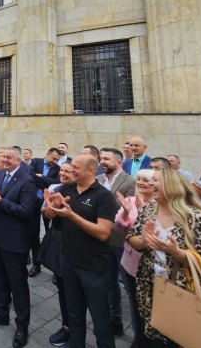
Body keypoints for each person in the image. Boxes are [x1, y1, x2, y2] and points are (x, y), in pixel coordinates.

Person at [127, 169, 201, 347]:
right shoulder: (148, 210)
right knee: (154, 337)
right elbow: (132, 238)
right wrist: (143, 240)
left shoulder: (197, 218)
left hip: (184, 292)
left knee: (179, 339)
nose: (149, 183)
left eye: (156, 180)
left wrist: (177, 253)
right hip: (149, 288)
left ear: (172, 186)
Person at [44, 154, 119, 348]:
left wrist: (71, 214)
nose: (71, 170)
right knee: (74, 313)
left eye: (76, 167)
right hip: (68, 262)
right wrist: (52, 207)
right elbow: (49, 214)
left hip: (93, 267)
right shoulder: (66, 188)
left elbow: (103, 233)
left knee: (100, 318)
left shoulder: (104, 196)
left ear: (91, 170)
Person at [0, 147, 37, 348]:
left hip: (14, 240)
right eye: (3, 157)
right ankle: (1, 313)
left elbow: (26, 211)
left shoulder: (27, 180)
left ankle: (22, 325)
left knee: (18, 284)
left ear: (19, 160)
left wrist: (1, 201)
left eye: (9, 157)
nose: (5, 160)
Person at [113, 169, 155, 347]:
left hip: (151, 265)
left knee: (152, 305)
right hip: (129, 261)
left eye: (147, 180)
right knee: (135, 303)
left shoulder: (160, 204)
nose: (142, 182)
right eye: (139, 179)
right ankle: (139, 337)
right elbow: (117, 233)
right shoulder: (130, 201)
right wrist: (125, 212)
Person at [97, 148, 136, 337]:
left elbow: (131, 212)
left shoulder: (130, 182)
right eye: (101, 158)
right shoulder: (98, 180)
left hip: (121, 242)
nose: (102, 161)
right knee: (108, 282)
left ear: (119, 162)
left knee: (129, 286)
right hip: (101, 240)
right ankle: (115, 320)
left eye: (106, 159)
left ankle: (139, 332)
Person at [46, 161, 74, 347]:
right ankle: (67, 327)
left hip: (82, 254)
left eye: (69, 171)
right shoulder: (58, 188)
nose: (63, 173)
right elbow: (47, 214)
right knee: (64, 291)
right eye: (62, 170)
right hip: (61, 250)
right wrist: (53, 205)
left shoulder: (94, 193)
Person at [28, 147, 62, 275]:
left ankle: (54, 268)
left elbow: (56, 182)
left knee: (51, 233)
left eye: (57, 160)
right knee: (34, 234)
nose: (54, 161)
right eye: (53, 158)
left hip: (49, 204)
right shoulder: (35, 162)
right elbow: (30, 176)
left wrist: (41, 177)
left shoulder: (58, 169)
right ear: (47, 154)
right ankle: (36, 264)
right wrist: (46, 182)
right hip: (33, 202)